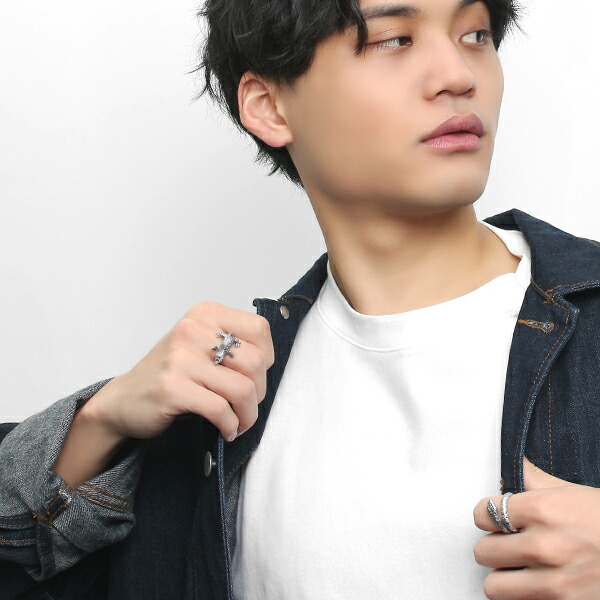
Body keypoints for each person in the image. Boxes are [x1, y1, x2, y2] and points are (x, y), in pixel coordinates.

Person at [2, 0, 600, 598]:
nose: (459, 74)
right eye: (394, 39)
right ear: (269, 106)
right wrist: (100, 420)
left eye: (476, 34)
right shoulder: (223, 406)